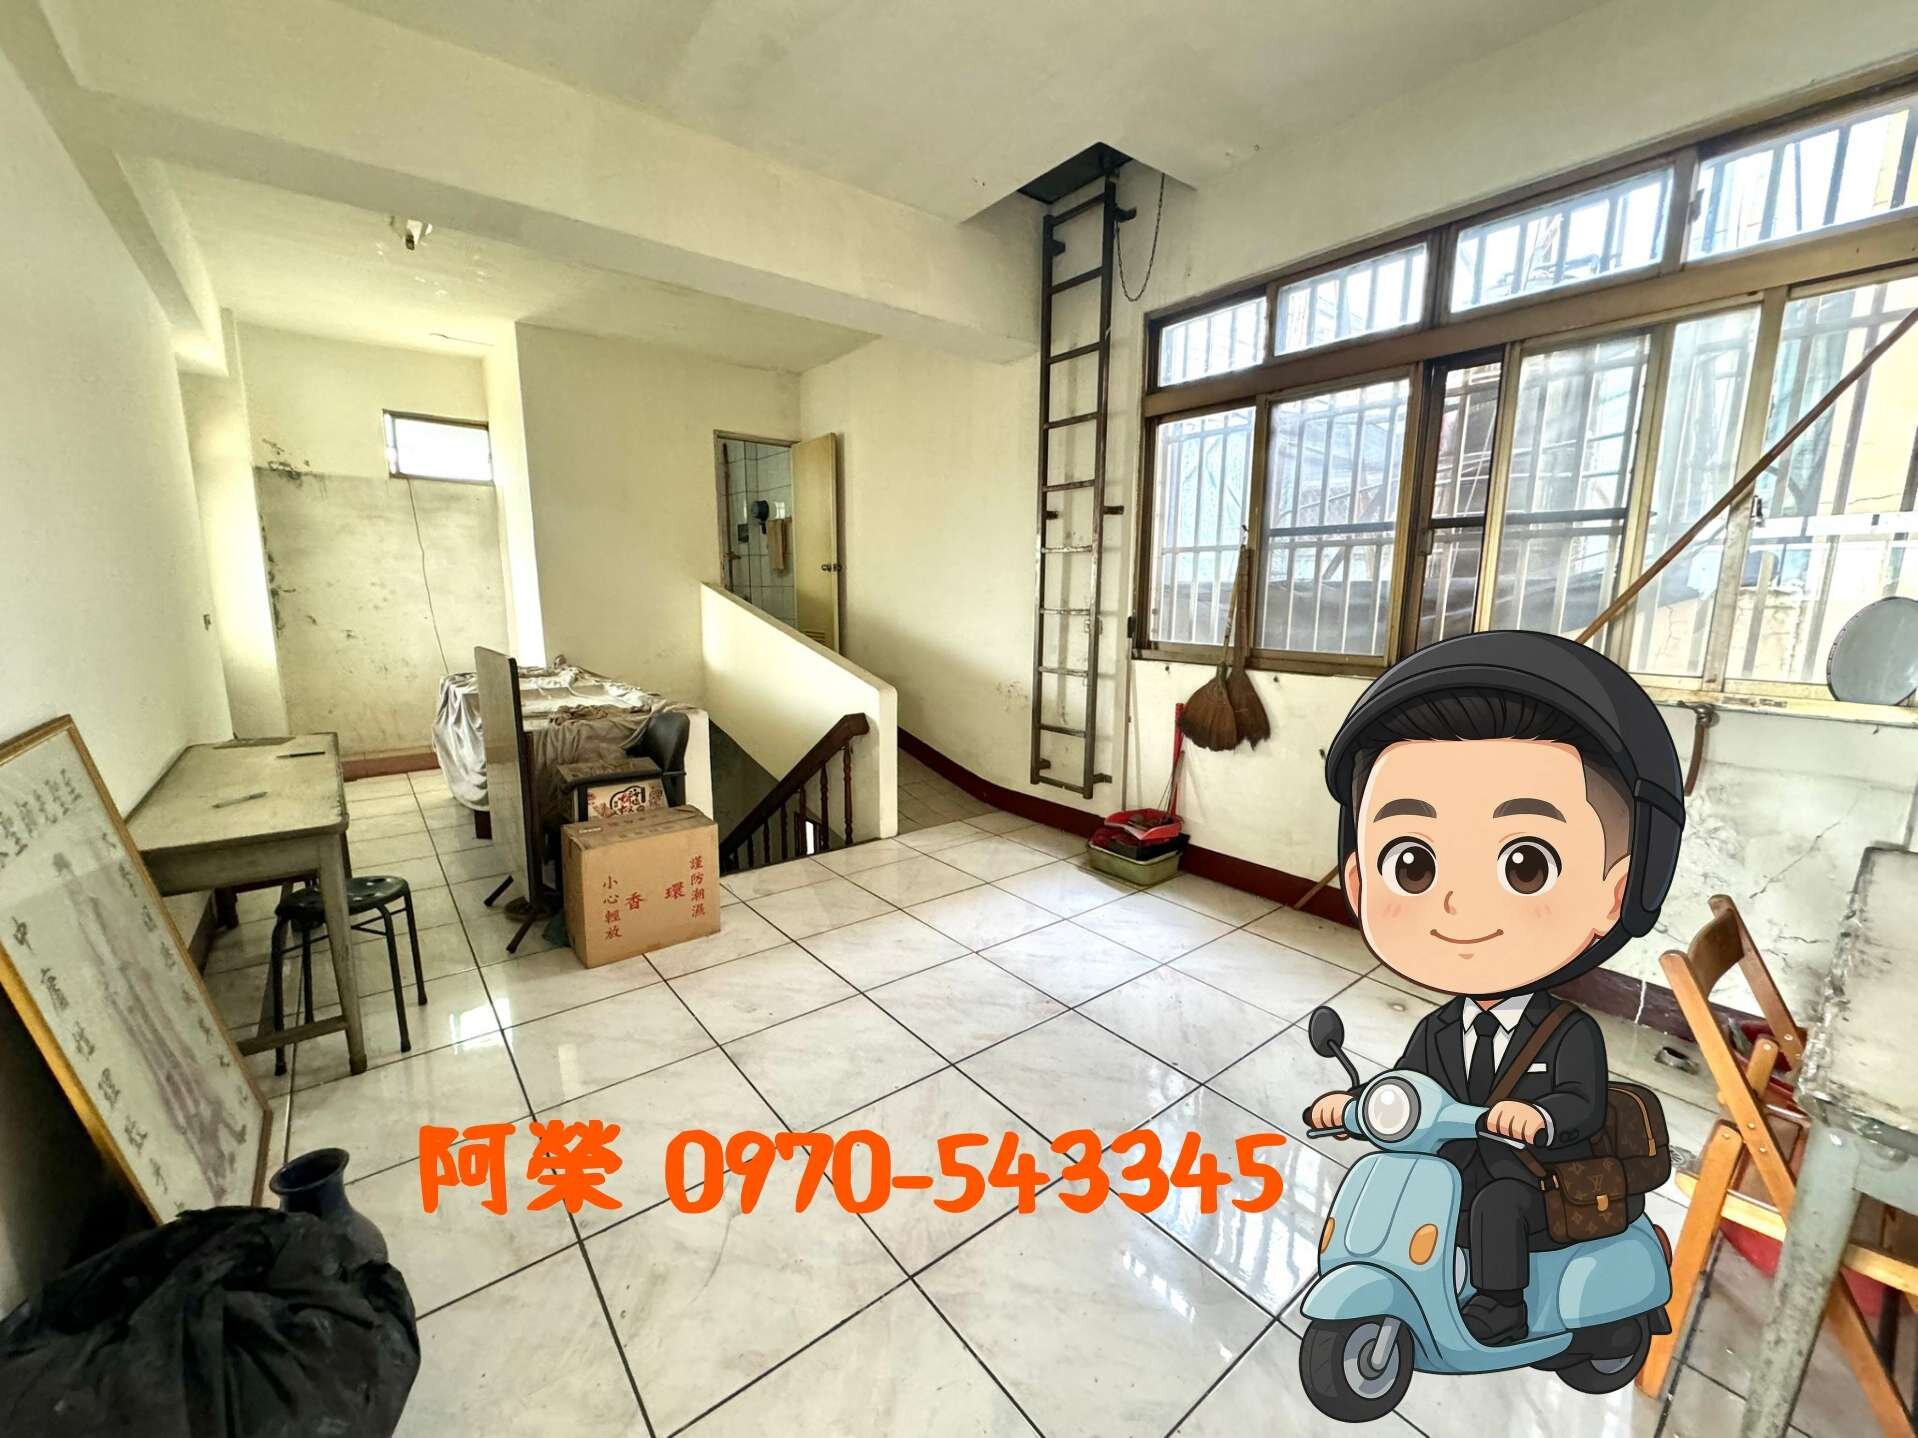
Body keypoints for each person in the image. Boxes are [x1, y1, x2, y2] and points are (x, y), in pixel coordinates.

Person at [1307, 630, 1684, 1347]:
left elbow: (1581, 1104)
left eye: (1526, 866)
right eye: (1413, 865)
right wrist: (1355, 1107)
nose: (1458, 906)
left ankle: (1501, 1307)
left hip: (1539, 1173)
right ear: (1358, 879)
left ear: (1618, 892)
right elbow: (1410, 1087)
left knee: (1495, 1205)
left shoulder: (1569, 1033)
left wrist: (1536, 1117)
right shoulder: (1440, 1029)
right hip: (1458, 1161)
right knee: (1426, 1190)